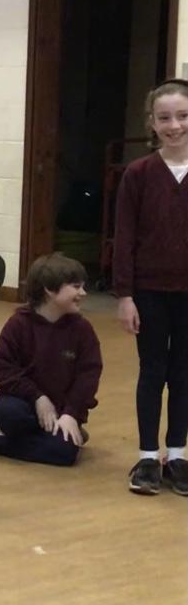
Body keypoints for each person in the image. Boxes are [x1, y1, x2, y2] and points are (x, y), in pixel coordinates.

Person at [0, 253, 101, 467]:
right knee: (9, 415)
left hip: (61, 409)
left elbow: (88, 377)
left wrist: (71, 414)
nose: (83, 293)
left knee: (65, 454)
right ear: (50, 290)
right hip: (24, 404)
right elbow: (1, 370)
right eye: (75, 287)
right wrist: (38, 397)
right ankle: (52, 436)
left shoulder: (82, 330)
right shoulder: (18, 325)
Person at [115, 78, 188, 496]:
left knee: (184, 373)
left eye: (182, 116)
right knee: (152, 370)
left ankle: (177, 454)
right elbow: (125, 237)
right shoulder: (139, 174)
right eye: (165, 118)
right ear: (153, 123)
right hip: (150, 291)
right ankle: (147, 455)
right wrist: (125, 295)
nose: (174, 125)